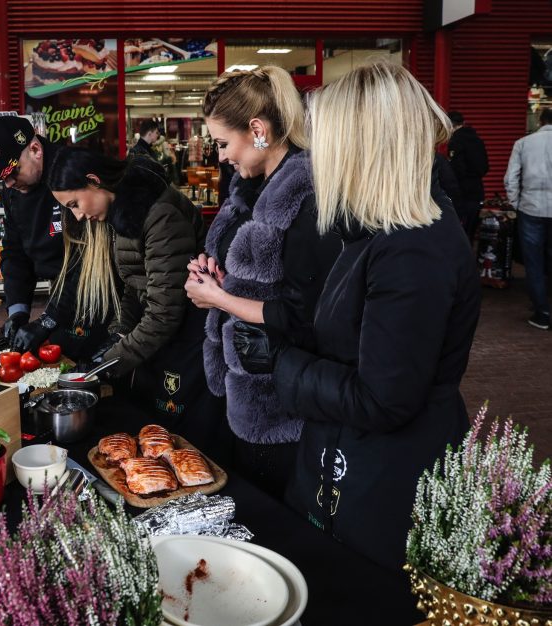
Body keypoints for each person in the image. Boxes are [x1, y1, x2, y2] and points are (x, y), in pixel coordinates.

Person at [234, 63, 480, 570]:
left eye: (325, 139)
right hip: (350, 460)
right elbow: (345, 333)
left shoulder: (414, 248)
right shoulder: (375, 231)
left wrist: (280, 363)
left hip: (385, 480)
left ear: (361, 144)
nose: (316, 155)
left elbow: (383, 398)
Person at [183, 66, 342, 497]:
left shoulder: (306, 196)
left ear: (257, 129)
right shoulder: (250, 188)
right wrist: (214, 280)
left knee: (269, 502)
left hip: (279, 397)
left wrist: (219, 297)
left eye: (221, 143)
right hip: (245, 380)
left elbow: (302, 316)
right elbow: (252, 281)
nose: (219, 156)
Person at [47, 148, 221, 450]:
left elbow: (164, 312)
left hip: (187, 339)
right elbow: (133, 285)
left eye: (75, 204)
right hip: (159, 336)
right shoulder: (123, 213)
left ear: (94, 180)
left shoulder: (160, 215)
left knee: (182, 443)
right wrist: (117, 335)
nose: (78, 215)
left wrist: (112, 360)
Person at [0, 115, 106, 359]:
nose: (8, 183)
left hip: (93, 289)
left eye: (13, 171)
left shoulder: (70, 174)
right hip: (59, 290)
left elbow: (88, 259)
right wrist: (17, 311)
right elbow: (14, 250)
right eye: (2, 176)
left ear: (35, 149)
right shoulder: (13, 191)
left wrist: (48, 320)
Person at [504, 107, 552, 330]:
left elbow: (511, 177)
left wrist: (515, 202)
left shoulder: (524, 143)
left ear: (540, 120)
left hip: (531, 207)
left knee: (534, 263)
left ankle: (542, 312)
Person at [447, 111, 489, 239]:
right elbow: (485, 167)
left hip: (462, 194)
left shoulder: (456, 141)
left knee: (458, 234)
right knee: (470, 232)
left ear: (451, 125)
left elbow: (456, 169)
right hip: (477, 191)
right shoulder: (477, 140)